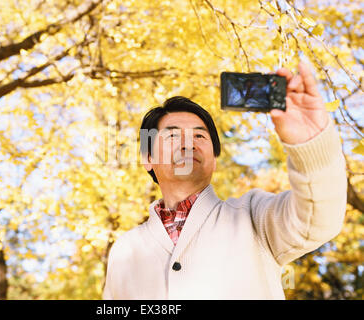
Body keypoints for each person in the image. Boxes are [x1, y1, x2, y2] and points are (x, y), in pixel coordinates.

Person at [102, 62, 347, 299]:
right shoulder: (125, 250)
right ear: (148, 159)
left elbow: (317, 220)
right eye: (173, 135)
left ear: (214, 159)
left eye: (199, 135)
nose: (188, 144)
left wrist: (311, 145)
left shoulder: (253, 217)